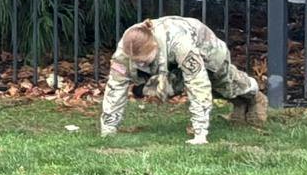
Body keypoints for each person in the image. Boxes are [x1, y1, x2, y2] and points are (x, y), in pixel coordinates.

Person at [99, 17, 268, 145]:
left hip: (206, 48)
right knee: (176, 87)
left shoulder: (180, 43)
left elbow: (198, 85)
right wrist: (108, 130)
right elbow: (115, 88)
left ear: (154, 46)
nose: (139, 65)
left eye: (144, 61)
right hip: (170, 62)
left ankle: (255, 96)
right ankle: (239, 106)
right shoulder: (125, 52)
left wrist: (200, 133)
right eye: (136, 61)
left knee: (225, 83)